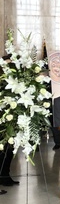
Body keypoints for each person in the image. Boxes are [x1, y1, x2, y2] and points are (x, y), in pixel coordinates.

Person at [0, 54, 20, 187]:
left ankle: (5, 176)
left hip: (12, 121)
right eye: (7, 65)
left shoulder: (16, 81)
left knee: (10, 150)